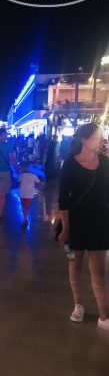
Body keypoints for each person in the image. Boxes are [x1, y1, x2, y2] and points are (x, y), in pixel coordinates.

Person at [58, 123, 109, 330]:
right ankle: (78, 305)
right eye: (97, 137)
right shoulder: (70, 164)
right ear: (84, 140)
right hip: (76, 221)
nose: (100, 140)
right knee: (76, 263)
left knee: (99, 269)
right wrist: (66, 228)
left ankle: (104, 316)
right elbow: (63, 200)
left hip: (100, 221)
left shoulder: (105, 162)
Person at [18, 161, 43, 228]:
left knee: (25, 206)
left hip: (23, 194)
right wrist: (39, 190)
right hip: (29, 194)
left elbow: (19, 182)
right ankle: (25, 218)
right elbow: (39, 183)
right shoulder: (32, 175)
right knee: (26, 207)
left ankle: (25, 219)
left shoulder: (21, 176)